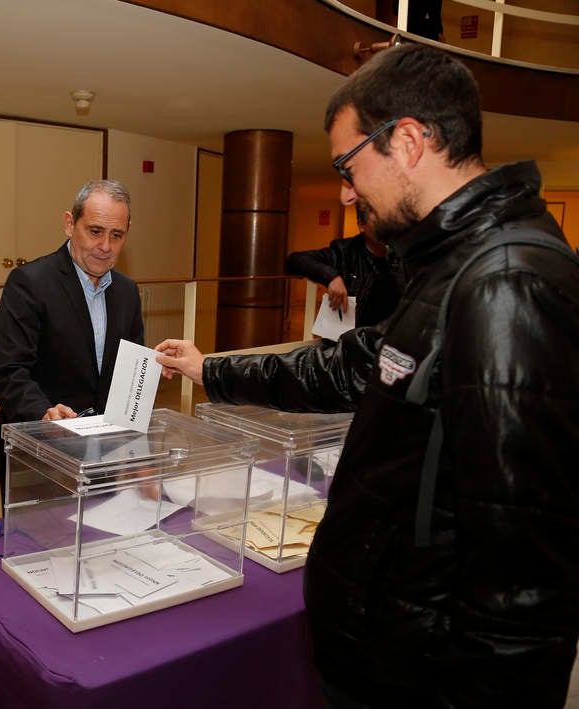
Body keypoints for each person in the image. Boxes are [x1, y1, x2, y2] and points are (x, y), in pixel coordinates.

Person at [156, 44, 578, 707]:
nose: (346, 192)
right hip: (383, 653)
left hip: (418, 678)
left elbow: (521, 572)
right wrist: (210, 368)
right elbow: (347, 366)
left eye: (348, 167)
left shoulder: (505, 283)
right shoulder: (449, 264)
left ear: (408, 141)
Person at [0, 179, 144, 500]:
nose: (105, 246)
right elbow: (6, 369)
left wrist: (137, 451)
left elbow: (129, 374)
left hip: (103, 461)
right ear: (70, 224)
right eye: (95, 231)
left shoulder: (127, 291)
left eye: (116, 235)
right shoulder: (29, 282)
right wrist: (43, 413)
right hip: (38, 459)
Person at [285, 208, 402, 327]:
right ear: (362, 225)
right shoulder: (345, 252)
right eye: (378, 222)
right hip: (353, 334)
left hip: (392, 332)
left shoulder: (400, 253)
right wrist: (332, 277)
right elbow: (295, 260)